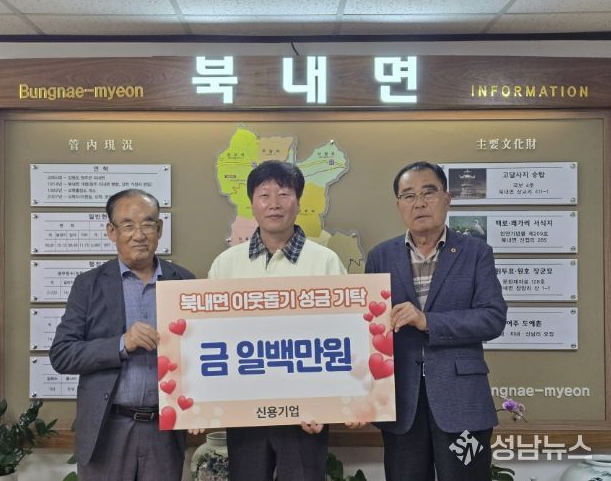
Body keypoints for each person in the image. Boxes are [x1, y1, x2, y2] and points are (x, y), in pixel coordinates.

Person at [208, 160, 349, 481]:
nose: (274, 204)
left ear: (298, 203)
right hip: (244, 408)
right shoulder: (226, 265)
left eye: (284, 194)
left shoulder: (325, 262)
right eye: (264, 195)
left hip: (307, 412)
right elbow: (209, 337)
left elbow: (345, 336)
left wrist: (328, 405)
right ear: (252, 204)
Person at [365, 161, 507, 481]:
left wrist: (427, 321)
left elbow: (493, 318)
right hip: (402, 406)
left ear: (447, 198)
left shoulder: (476, 253)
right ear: (399, 205)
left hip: (463, 404)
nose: (419, 203)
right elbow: (370, 329)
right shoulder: (380, 256)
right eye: (408, 195)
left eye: (428, 192)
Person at [50, 189, 195, 481]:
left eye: (148, 224)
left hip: (163, 432)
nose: (139, 234)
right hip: (108, 429)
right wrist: (122, 343)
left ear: (160, 229)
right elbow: (62, 354)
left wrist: (199, 407)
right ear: (111, 231)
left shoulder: (184, 282)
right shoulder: (88, 285)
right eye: (128, 225)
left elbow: (199, 354)